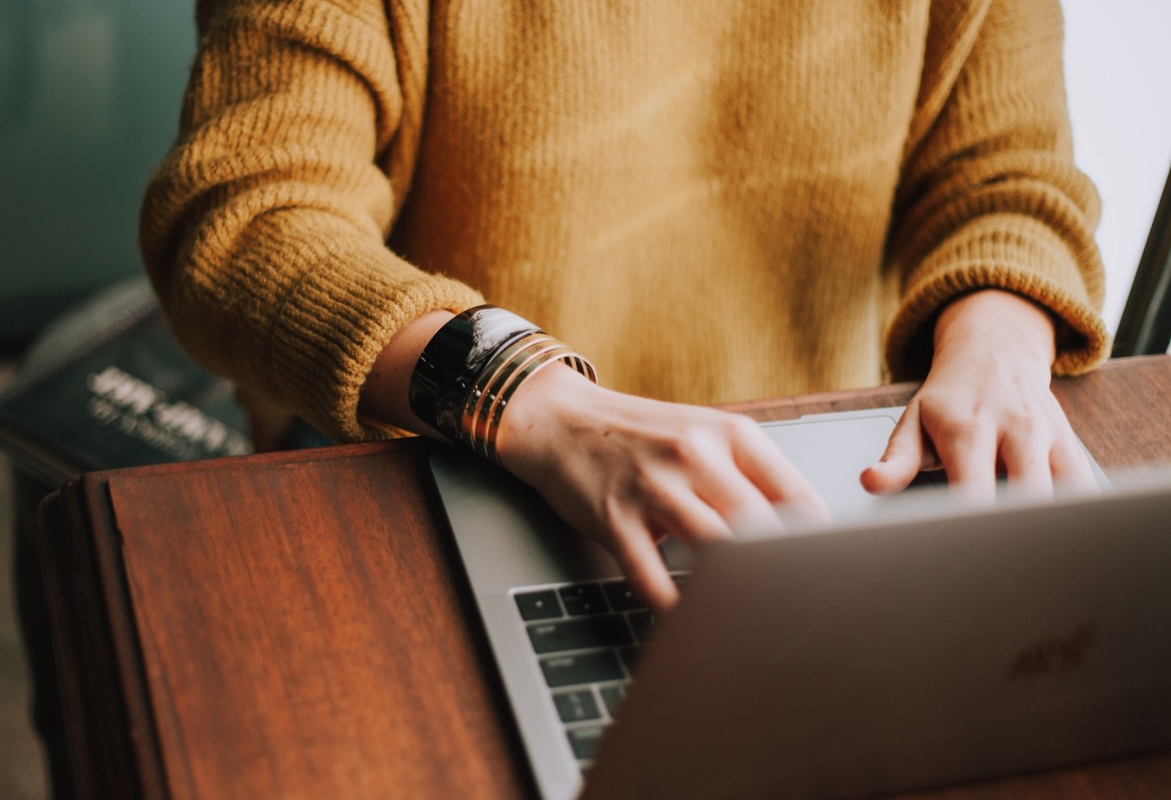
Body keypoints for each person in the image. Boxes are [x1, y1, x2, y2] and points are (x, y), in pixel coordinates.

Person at [140, 0, 1109, 613]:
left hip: (811, 481)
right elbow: (245, 217)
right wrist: (529, 397)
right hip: (444, 453)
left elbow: (1007, 174)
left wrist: (999, 336)